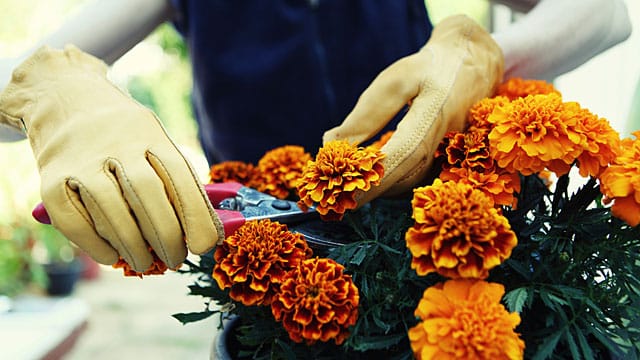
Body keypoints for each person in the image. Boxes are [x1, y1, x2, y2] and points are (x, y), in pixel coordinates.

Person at [0, 0, 632, 273]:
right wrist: (53, 94)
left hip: (416, 251)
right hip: (261, 267)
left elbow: (603, 14)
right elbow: (14, 77)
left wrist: (488, 54)